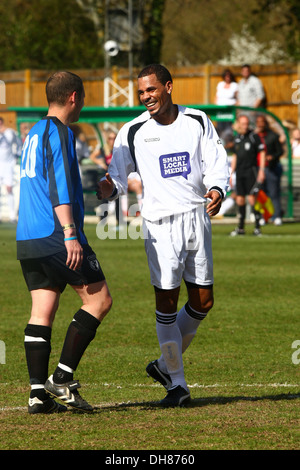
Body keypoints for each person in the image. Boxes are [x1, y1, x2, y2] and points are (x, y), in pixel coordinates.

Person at [96, 64, 229, 407]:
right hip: (159, 225)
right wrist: (108, 187)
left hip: (196, 218)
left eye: (152, 90)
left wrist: (216, 189)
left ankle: (162, 366)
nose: (146, 98)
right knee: (166, 302)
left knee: (203, 302)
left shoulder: (197, 120)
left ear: (169, 87)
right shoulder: (132, 130)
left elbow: (216, 160)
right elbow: (119, 177)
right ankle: (178, 384)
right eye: (141, 92)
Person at [16, 71, 112, 414]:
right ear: (74, 97)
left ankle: (38, 395)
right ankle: (62, 377)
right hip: (56, 234)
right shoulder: (60, 131)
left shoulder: (33, 132)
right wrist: (71, 233)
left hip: (27, 237)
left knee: (42, 309)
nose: (83, 103)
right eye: (83, 97)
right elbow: (57, 186)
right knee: (99, 301)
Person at [230, 114, 266, 236]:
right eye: (243, 124)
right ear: (239, 124)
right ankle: (240, 228)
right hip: (239, 172)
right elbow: (235, 156)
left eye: (246, 124)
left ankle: (257, 227)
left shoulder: (254, 136)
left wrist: (261, 170)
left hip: (251, 171)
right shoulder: (237, 138)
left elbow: (262, 152)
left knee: (252, 198)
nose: (245, 126)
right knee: (240, 199)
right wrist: (231, 173)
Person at [255, 115, 284, 225]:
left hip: (271, 168)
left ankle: (276, 216)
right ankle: (264, 216)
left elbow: (280, 151)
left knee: (274, 192)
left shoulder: (273, 136)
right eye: (258, 122)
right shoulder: (255, 137)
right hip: (258, 169)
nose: (260, 124)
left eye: (262, 122)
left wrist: (272, 156)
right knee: (262, 194)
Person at [0, 117, 20, 223]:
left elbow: (16, 143)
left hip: (7, 164)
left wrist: (16, 156)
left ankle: (12, 216)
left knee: (9, 189)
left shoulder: (9, 132)